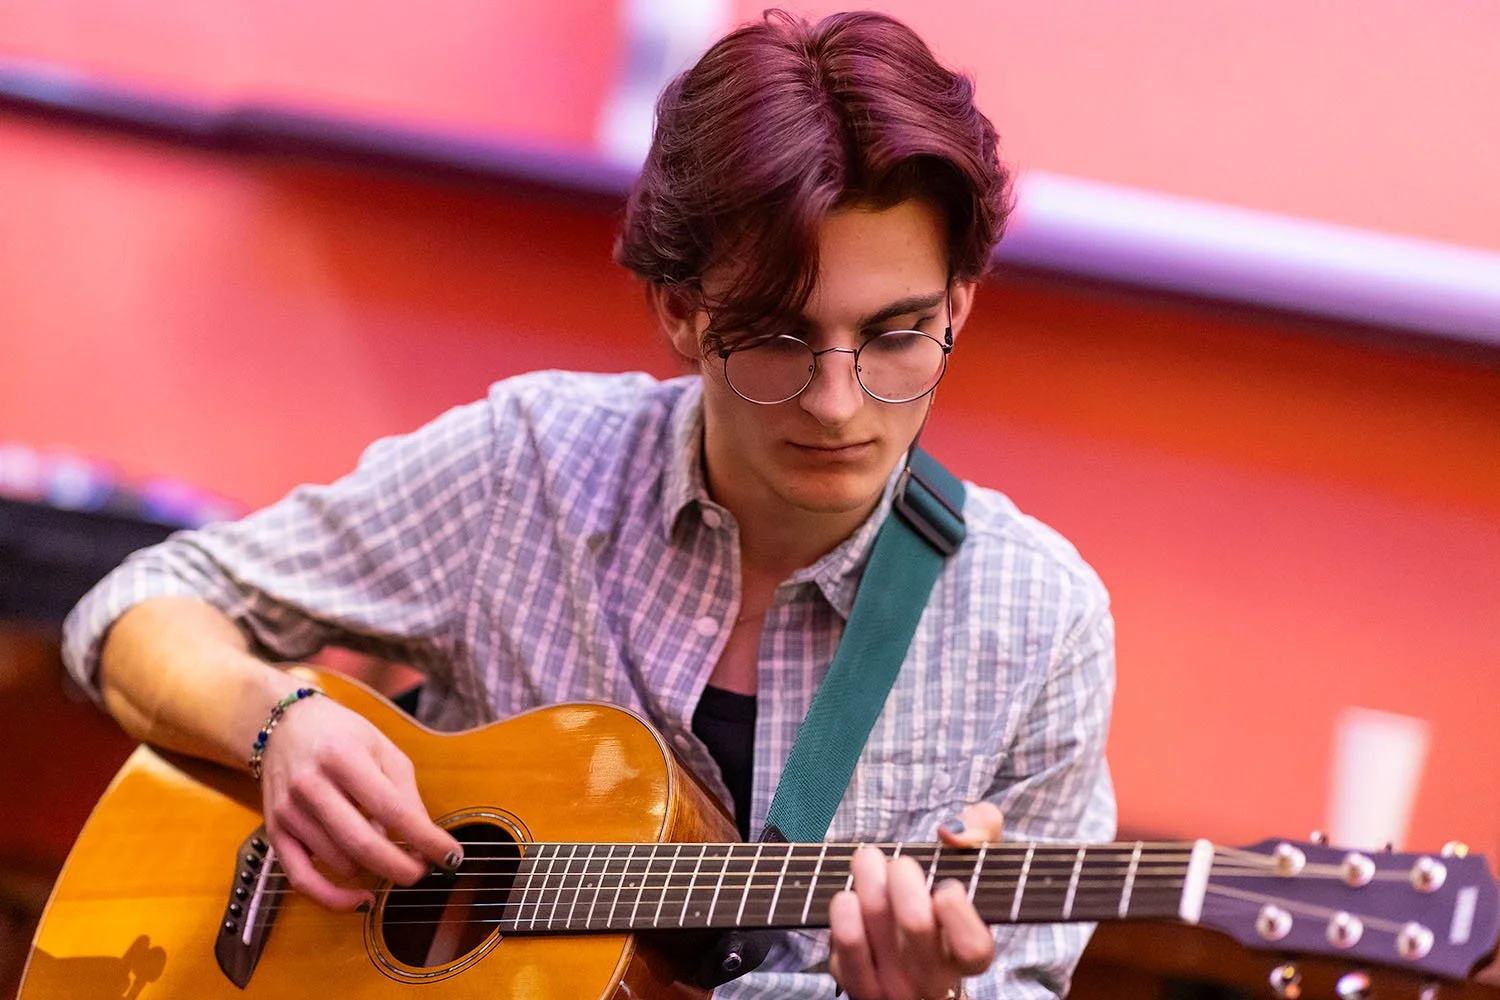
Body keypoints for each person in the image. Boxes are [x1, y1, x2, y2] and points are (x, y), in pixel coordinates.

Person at [62, 9, 1115, 999]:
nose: (839, 405)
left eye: (894, 335)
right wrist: (279, 723)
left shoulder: (1038, 621)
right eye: (778, 338)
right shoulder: (530, 466)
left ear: (959, 305)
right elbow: (140, 604)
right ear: (680, 310)